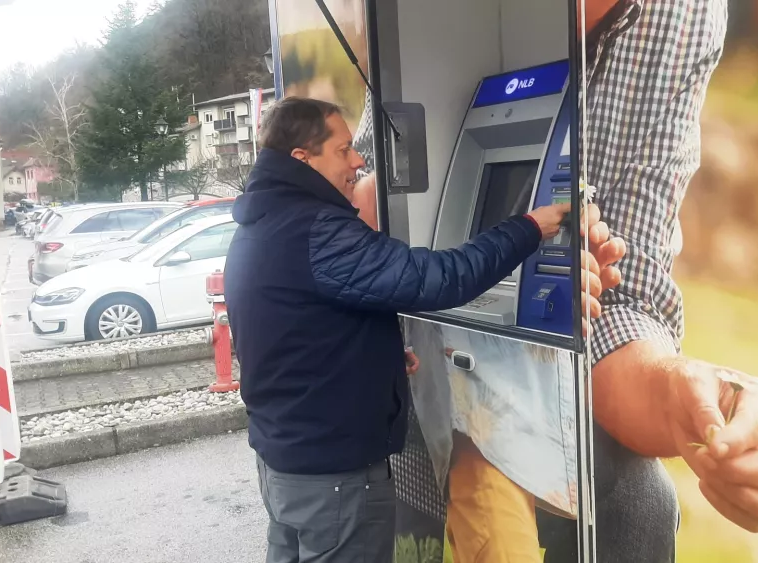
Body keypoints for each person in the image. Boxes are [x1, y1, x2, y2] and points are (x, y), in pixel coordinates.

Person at [392, 1, 758, 562]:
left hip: (532, 377)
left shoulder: (684, 15)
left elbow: (626, 294)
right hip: (412, 354)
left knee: (638, 502)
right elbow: (371, 209)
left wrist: (686, 393)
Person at [223, 96, 616, 563]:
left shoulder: (263, 221)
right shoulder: (318, 231)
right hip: (334, 477)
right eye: (344, 149)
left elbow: (300, 330)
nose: (359, 161)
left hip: (286, 463)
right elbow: (441, 278)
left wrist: (380, 356)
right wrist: (529, 227)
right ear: (302, 159)